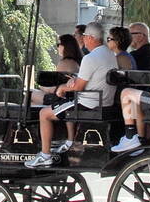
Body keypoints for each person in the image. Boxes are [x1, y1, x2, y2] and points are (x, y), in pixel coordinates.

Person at [25, 22, 116, 167]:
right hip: (104, 101)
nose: (83, 39)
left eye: (85, 36)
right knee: (65, 104)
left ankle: (45, 154)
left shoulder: (90, 58)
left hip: (88, 103)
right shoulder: (110, 55)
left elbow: (79, 86)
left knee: (44, 113)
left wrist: (62, 88)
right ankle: (68, 141)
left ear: (91, 38)